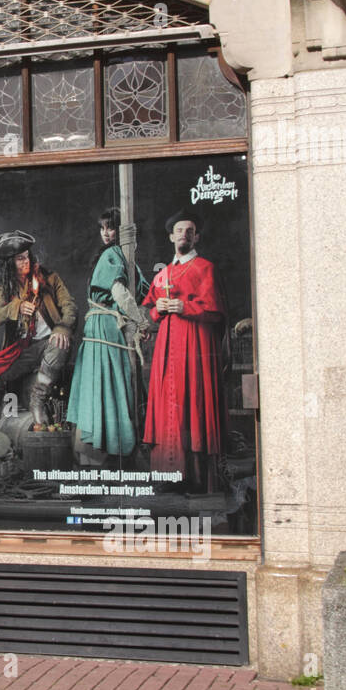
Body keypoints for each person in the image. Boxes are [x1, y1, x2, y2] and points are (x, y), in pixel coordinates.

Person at [141, 209, 226, 491]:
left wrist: (185, 307)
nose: (184, 235)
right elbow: (147, 308)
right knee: (168, 404)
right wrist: (158, 310)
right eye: (179, 230)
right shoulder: (163, 273)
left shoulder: (205, 268)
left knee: (193, 402)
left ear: (196, 236)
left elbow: (216, 311)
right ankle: (167, 475)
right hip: (167, 347)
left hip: (195, 346)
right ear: (170, 237)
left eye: (189, 231)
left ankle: (195, 478)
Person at [0, 230, 77, 432]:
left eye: (27, 256)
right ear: (9, 263)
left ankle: (38, 398)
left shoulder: (50, 278)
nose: (25, 261)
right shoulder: (6, 288)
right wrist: (16, 307)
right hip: (27, 348)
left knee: (59, 341)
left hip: (51, 342)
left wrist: (63, 328)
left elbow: (70, 306)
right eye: (19, 259)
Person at [67, 208, 150, 462]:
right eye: (102, 228)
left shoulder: (120, 256)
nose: (105, 233)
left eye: (111, 228)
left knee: (103, 385)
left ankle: (99, 457)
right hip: (105, 325)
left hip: (103, 324)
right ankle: (103, 454)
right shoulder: (112, 254)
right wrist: (141, 321)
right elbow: (119, 293)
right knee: (108, 384)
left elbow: (140, 293)